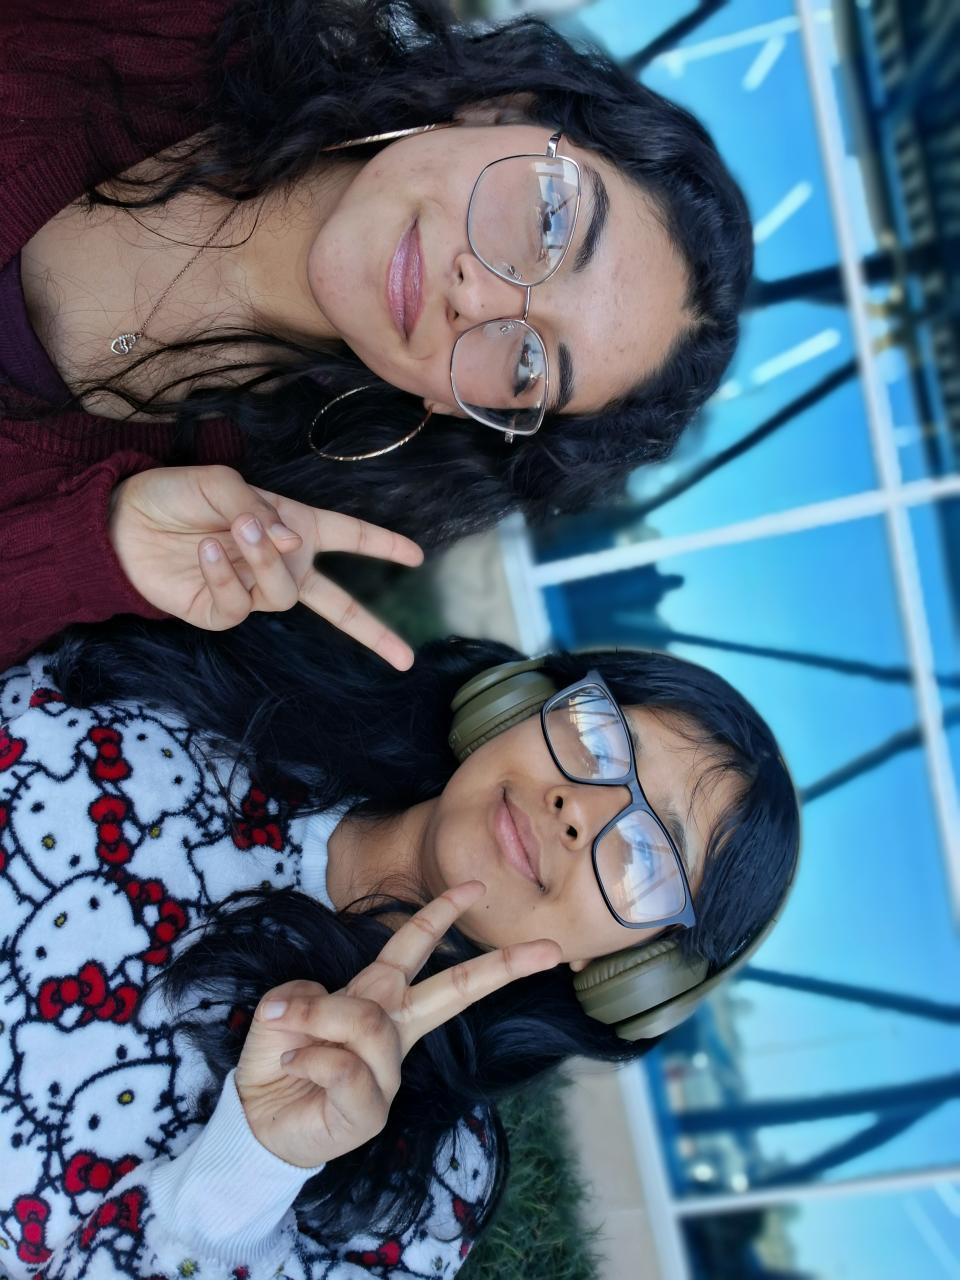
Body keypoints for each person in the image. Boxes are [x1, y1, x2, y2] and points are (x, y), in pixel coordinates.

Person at [0, 615, 799, 1277]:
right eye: (599, 738)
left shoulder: (423, 1190)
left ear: (632, 970)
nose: (580, 808)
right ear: (521, 704)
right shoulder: (229, 675)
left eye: (646, 856)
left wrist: (250, 1166)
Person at [1, 0, 754, 667]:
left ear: (463, 410)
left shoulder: (208, 533)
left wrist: (93, 548)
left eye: (527, 363)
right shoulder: (170, 28)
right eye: (548, 223)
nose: (478, 295)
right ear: (501, 110)